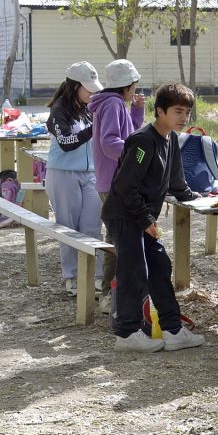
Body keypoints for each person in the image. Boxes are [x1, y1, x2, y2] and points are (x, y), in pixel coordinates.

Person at [103, 83, 205, 352]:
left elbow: (176, 179)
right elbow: (125, 186)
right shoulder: (142, 141)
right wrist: (146, 220)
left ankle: (173, 330)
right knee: (133, 273)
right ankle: (126, 334)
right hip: (125, 216)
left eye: (188, 112)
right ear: (160, 111)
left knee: (160, 267)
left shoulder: (170, 137)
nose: (184, 118)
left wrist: (192, 196)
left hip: (142, 218)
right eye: (178, 111)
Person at [89, 59, 145, 309]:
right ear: (126, 85)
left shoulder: (115, 103)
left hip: (110, 180)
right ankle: (111, 294)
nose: (135, 89)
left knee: (116, 237)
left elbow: (129, 132)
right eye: (134, 85)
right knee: (119, 239)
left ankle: (111, 292)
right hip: (114, 182)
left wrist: (136, 112)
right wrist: (137, 156)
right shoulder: (111, 104)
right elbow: (110, 141)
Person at [46, 61, 105, 296]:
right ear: (74, 86)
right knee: (68, 227)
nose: (93, 93)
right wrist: (94, 128)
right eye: (88, 88)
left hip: (91, 174)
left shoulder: (89, 106)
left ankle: (96, 276)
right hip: (63, 174)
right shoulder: (59, 109)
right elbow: (66, 143)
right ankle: (72, 277)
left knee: (92, 226)